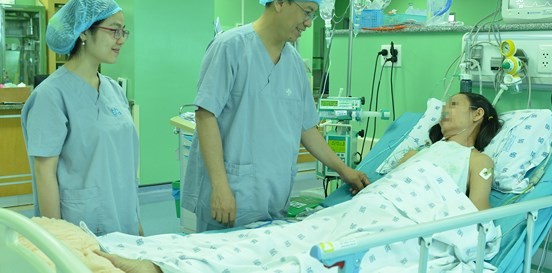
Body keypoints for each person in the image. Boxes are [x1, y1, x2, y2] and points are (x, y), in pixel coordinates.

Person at [96, 92, 503, 273]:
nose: (445, 111)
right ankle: (164, 256)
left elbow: (476, 216)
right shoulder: (418, 153)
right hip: (366, 207)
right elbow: (388, 183)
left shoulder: (478, 161)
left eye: (454, 105)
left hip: (405, 221)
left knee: (307, 255)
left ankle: (165, 268)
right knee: (278, 240)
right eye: (445, 105)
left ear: (478, 116)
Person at [182, 0, 370, 232]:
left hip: (274, 192)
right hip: (232, 191)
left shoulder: (293, 62)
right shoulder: (230, 47)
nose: (308, 22)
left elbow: (307, 128)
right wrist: (220, 186)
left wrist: (343, 170)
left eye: (312, 16)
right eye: (307, 12)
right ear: (280, 2)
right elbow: (205, 115)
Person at [21, 0, 142, 236]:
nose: (121, 39)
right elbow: (45, 174)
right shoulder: (51, 96)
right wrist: (60, 241)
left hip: (123, 217)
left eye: (123, 31)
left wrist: (135, 221)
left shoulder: (113, 90)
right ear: (84, 31)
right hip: (80, 226)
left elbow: (123, 166)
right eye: (113, 30)